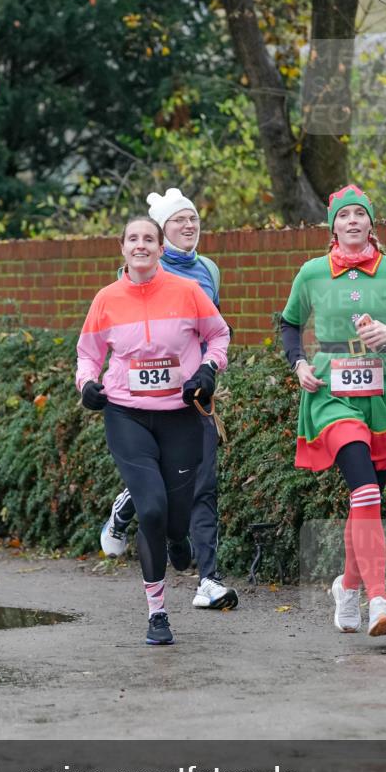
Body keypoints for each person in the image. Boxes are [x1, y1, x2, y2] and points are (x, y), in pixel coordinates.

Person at [280, 184, 386, 637]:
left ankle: (346, 586)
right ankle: (379, 599)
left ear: (370, 224)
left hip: (383, 392)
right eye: (343, 215)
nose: (352, 221)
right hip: (331, 391)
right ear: (333, 226)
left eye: (359, 215)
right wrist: (300, 363)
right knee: (366, 492)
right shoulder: (311, 273)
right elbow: (289, 324)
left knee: (364, 499)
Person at [76, 215, 230, 645]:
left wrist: (207, 368)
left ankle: (178, 539)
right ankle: (157, 613)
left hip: (180, 414)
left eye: (149, 238)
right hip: (127, 415)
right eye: (133, 238)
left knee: (175, 518)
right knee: (152, 508)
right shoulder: (106, 299)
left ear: (161, 249)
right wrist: (87, 384)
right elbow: (88, 354)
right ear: (122, 249)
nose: (141, 244)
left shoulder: (188, 292)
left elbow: (218, 336)